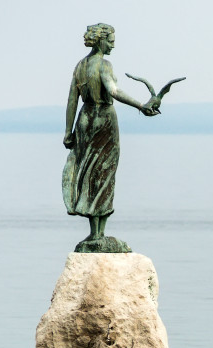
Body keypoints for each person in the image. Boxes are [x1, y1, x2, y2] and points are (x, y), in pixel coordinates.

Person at [62, 23, 156, 243]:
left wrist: (69, 130)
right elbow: (113, 90)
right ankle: (98, 234)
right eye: (111, 41)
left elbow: (72, 101)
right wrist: (141, 106)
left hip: (84, 121)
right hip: (103, 119)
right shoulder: (104, 65)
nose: (113, 45)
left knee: (88, 172)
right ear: (101, 41)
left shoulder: (80, 66)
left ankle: (94, 232)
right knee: (104, 173)